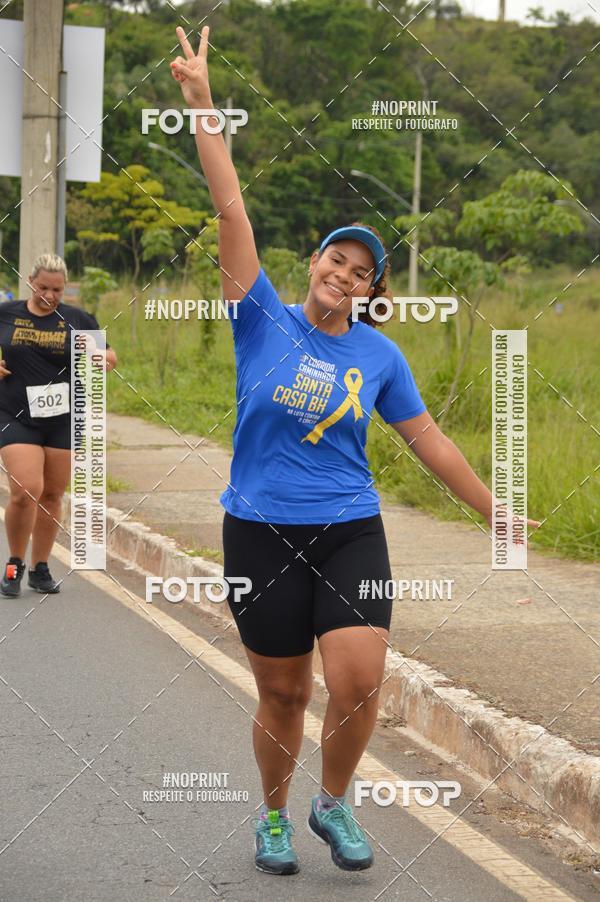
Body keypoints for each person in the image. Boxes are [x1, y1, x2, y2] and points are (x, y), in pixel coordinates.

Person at [171, 26, 539, 877]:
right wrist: (202, 104)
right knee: (284, 691)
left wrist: (495, 512)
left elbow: (429, 440)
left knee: (361, 678)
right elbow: (230, 209)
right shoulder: (258, 316)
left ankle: (332, 802)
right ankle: (273, 817)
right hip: (259, 531)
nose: (344, 274)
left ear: (372, 290)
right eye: (335, 260)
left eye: (360, 271)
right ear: (314, 263)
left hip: (348, 529)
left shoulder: (379, 355)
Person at [0, 254, 117, 597]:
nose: (49, 295)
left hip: (63, 419)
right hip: (15, 414)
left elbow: (110, 357)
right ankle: (14, 563)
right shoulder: (7, 314)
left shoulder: (78, 319)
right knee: (26, 490)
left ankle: (40, 567)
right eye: (43, 288)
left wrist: (99, 357)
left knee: (52, 494)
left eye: (57, 290)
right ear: (30, 282)